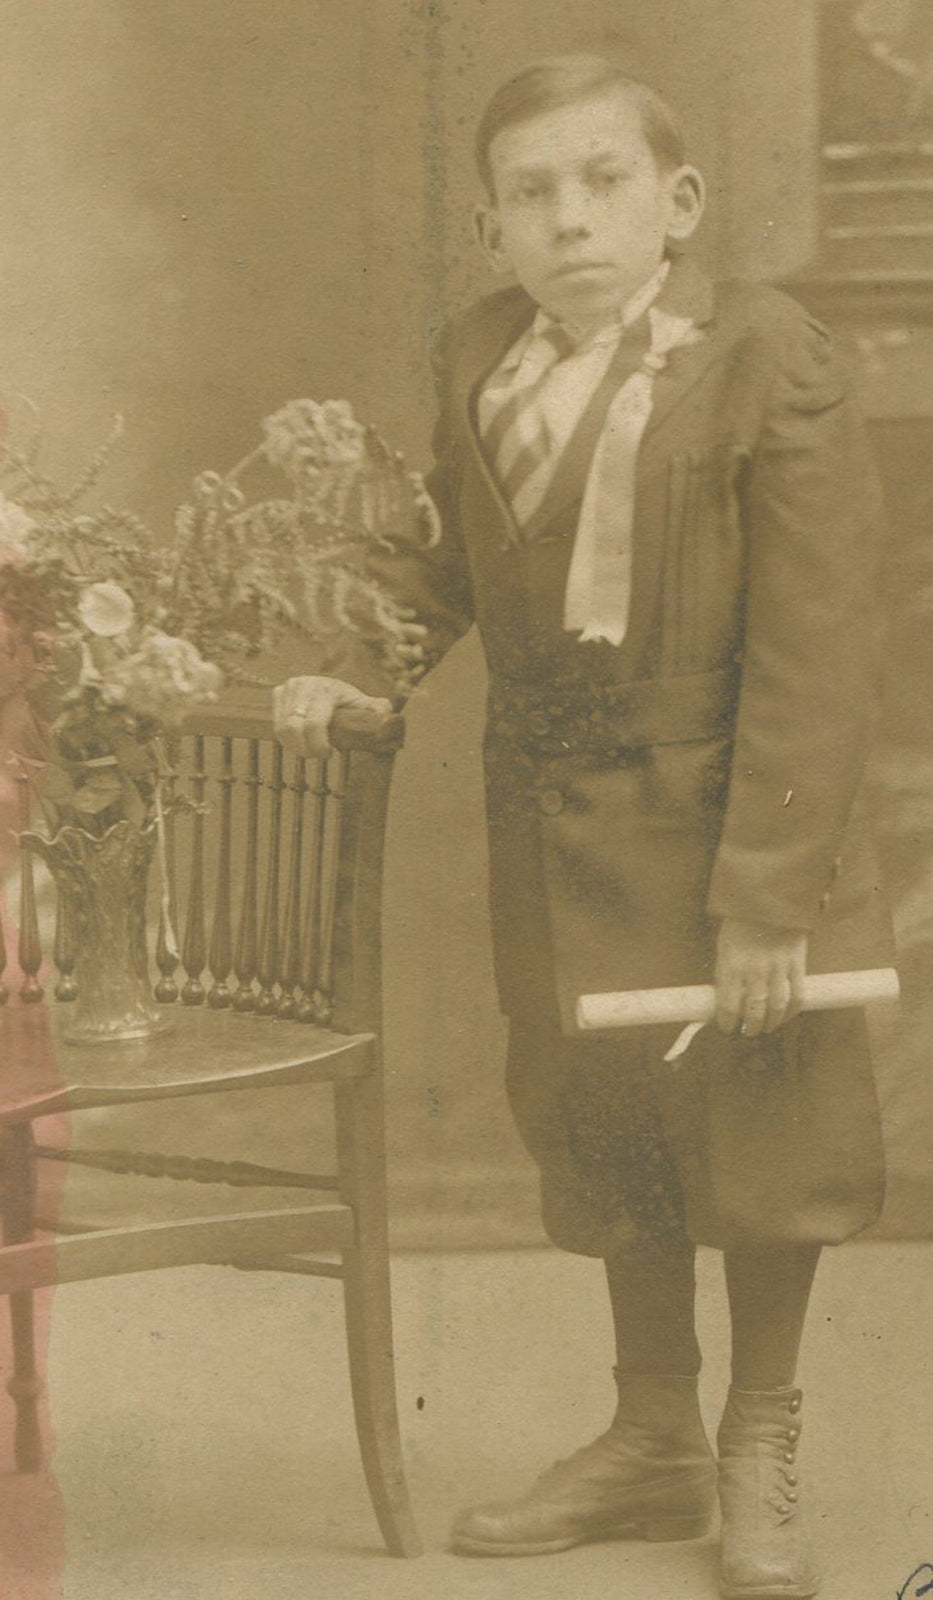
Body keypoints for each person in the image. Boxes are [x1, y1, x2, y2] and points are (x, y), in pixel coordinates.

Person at [274, 53, 891, 1600]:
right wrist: (359, 666)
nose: (570, 220)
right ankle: (650, 1432)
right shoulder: (483, 354)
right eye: (531, 194)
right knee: (608, 1120)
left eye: (602, 182)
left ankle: (756, 1430)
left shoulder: (768, 357)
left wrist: (770, 894)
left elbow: (819, 653)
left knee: (759, 1126)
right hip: (555, 824)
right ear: (488, 230)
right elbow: (453, 565)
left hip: (730, 823)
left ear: (677, 203)